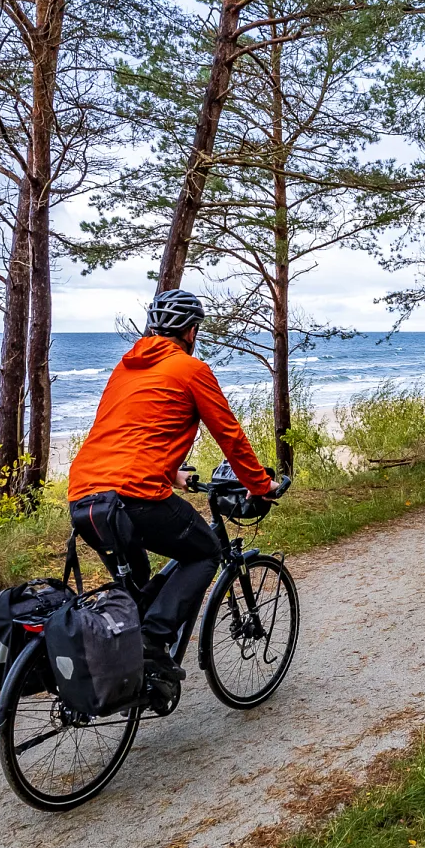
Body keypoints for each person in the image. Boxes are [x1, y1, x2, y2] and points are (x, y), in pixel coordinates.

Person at [67, 289, 287, 702]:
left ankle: (127, 671)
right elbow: (230, 436)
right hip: (132, 497)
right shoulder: (190, 368)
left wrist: (171, 474)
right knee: (203, 552)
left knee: (136, 592)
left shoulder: (125, 369)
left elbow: (128, 433)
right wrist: (261, 485)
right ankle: (153, 644)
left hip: (85, 497)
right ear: (190, 330)